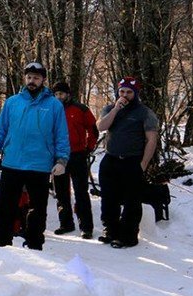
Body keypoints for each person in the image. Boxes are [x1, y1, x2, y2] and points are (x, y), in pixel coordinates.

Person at [0, 62, 70, 250]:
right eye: (29, 77)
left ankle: (34, 243)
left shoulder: (54, 105)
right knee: (5, 205)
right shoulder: (12, 102)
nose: (32, 81)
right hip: (12, 163)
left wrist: (61, 160)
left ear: (43, 80)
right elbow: (1, 129)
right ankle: (0, 242)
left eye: (36, 78)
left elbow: (61, 134)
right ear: (25, 79)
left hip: (39, 165)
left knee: (38, 209)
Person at [95, 76, 160, 248]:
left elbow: (151, 139)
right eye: (122, 91)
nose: (125, 95)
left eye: (129, 92)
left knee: (132, 201)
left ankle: (128, 235)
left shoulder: (145, 112)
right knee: (109, 198)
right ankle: (111, 230)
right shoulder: (110, 108)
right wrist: (115, 110)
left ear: (135, 93)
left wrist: (143, 164)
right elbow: (101, 127)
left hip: (132, 161)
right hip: (111, 160)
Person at [51, 81, 99, 239]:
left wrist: (89, 147)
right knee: (61, 192)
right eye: (56, 94)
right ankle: (66, 223)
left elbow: (93, 128)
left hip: (77, 154)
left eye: (62, 94)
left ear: (68, 94)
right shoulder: (50, 110)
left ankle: (86, 227)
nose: (59, 97)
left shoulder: (80, 109)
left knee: (81, 192)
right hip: (58, 157)